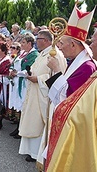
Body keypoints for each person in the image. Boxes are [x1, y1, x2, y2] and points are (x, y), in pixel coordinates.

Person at [45, 30, 97, 172]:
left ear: (73, 44)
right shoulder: (76, 61)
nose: (59, 47)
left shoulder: (87, 67)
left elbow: (70, 98)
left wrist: (56, 70)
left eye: (62, 43)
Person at [18, 30, 67, 163]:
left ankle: (37, 153)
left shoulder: (55, 54)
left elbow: (59, 75)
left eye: (37, 38)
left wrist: (38, 79)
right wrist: (29, 73)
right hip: (35, 91)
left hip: (43, 95)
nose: (35, 41)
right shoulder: (42, 54)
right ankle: (32, 151)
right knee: (32, 120)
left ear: (45, 40)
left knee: (39, 122)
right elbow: (36, 68)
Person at [8, 35, 38, 138]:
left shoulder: (34, 54)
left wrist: (17, 73)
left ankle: (22, 129)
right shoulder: (21, 53)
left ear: (30, 43)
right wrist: (11, 71)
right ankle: (18, 127)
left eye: (24, 42)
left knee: (23, 104)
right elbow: (13, 63)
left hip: (24, 83)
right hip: (16, 82)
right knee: (18, 104)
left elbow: (29, 70)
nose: (21, 44)